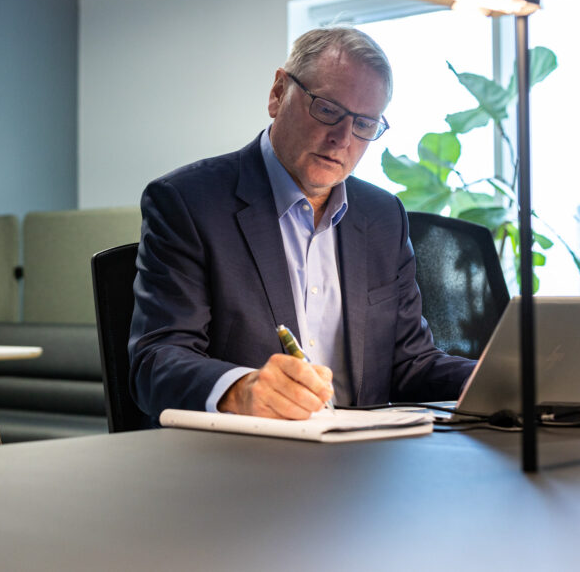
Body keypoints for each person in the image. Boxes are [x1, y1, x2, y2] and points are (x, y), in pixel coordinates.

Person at [128, 25, 476, 424]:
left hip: (367, 460)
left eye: (364, 124)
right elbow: (155, 361)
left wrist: (495, 380)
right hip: (248, 462)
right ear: (278, 93)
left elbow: (410, 364)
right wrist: (242, 390)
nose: (342, 138)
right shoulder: (189, 202)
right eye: (328, 109)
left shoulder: (382, 217)